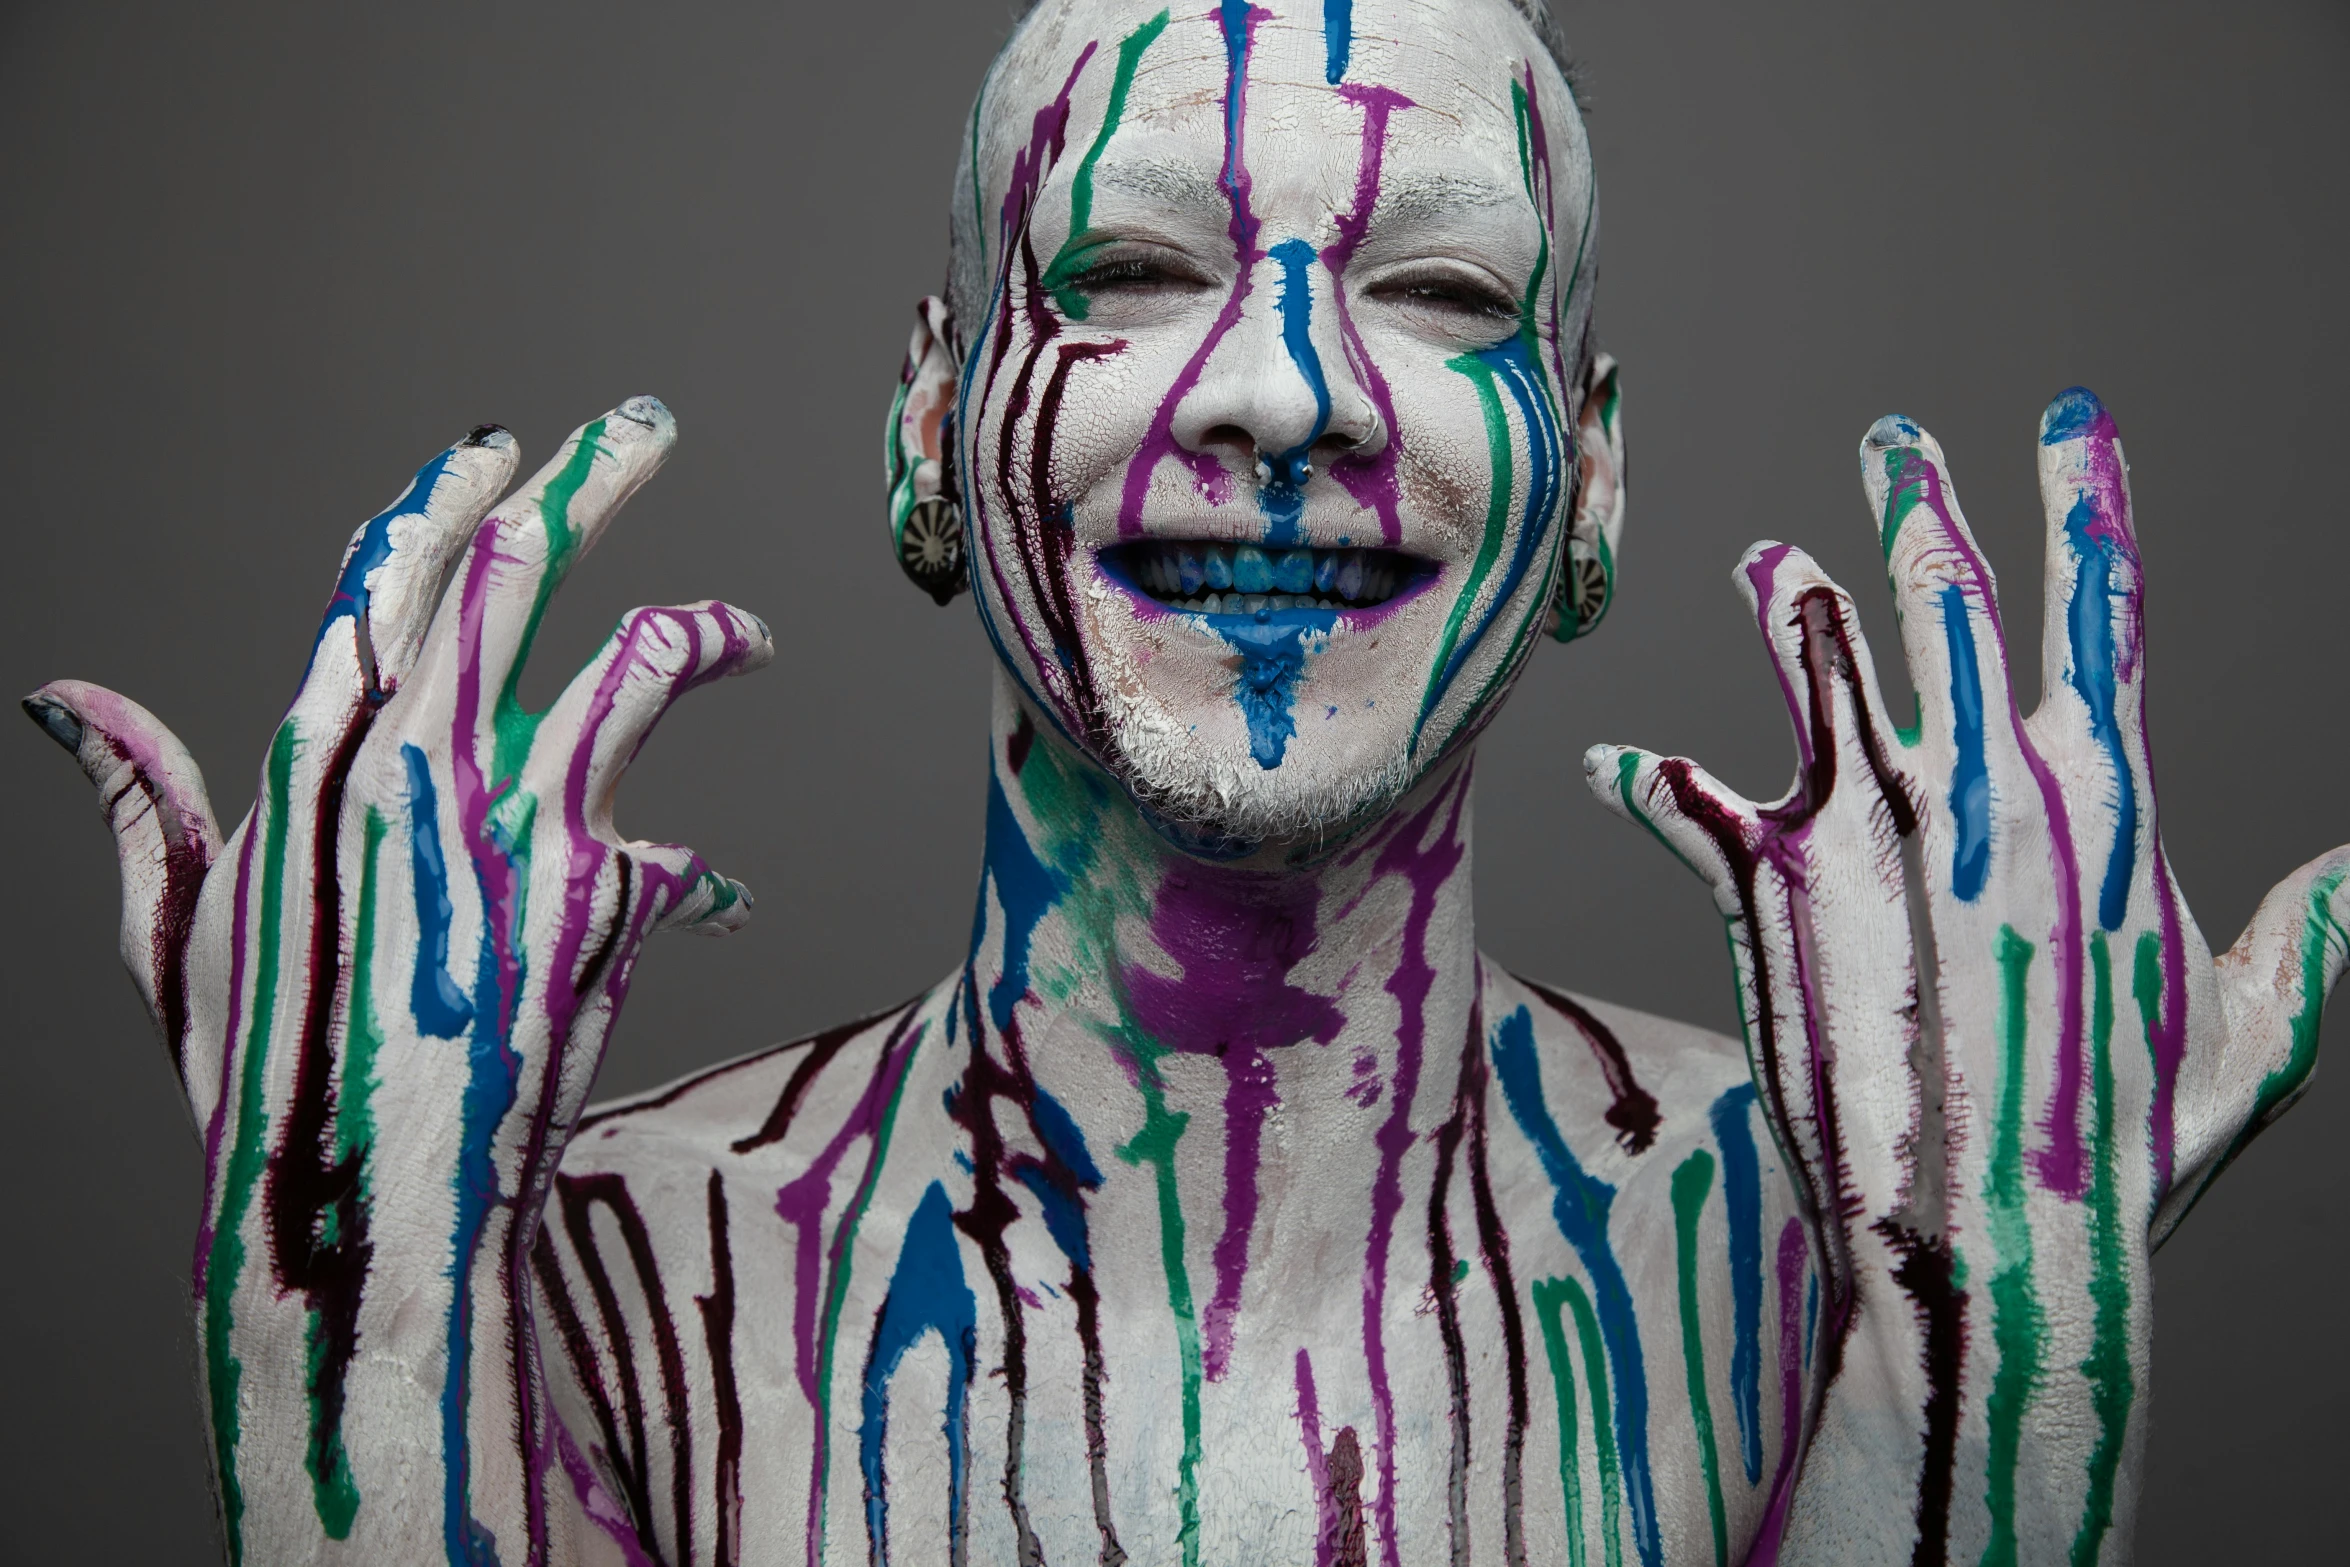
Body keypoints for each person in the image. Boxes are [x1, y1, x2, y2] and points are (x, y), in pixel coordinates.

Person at [25, 0, 2345, 1561]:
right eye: (1128, 268)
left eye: (1444, 298)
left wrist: (2000, 1330)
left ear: (1594, 484)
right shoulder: (612, 1277)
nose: (1284, 394)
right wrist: (352, 1301)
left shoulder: (1826, 1253)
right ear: (930, 430)